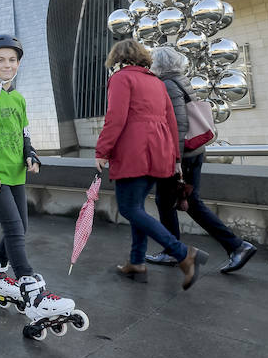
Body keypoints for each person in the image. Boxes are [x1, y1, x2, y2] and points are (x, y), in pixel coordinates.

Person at [0, 34, 76, 326]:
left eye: (12, 60)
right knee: (13, 227)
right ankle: (30, 287)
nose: (7, 65)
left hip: (16, 172)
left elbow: (24, 134)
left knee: (21, 225)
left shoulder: (18, 97)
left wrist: (32, 154)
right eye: (0, 59)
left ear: (18, 64)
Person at [95, 40, 209, 290]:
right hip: (160, 152)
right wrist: (175, 159)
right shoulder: (157, 82)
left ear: (118, 59)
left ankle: (183, 254)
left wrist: (102, 150)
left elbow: (115, 118)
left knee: (128, 208)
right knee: (137, 207)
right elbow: (171, 122)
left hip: (134, 151)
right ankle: (136, 263)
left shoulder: (121, 79)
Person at [147, 47, 257, 274]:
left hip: (182, 155)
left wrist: (174, 160)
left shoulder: (167, 84)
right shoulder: (180, 79)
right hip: (194, 152)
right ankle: (231, 247)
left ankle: (235, 246)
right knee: (176, 202)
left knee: (176, 202)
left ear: (158, 64)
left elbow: (178, 124)